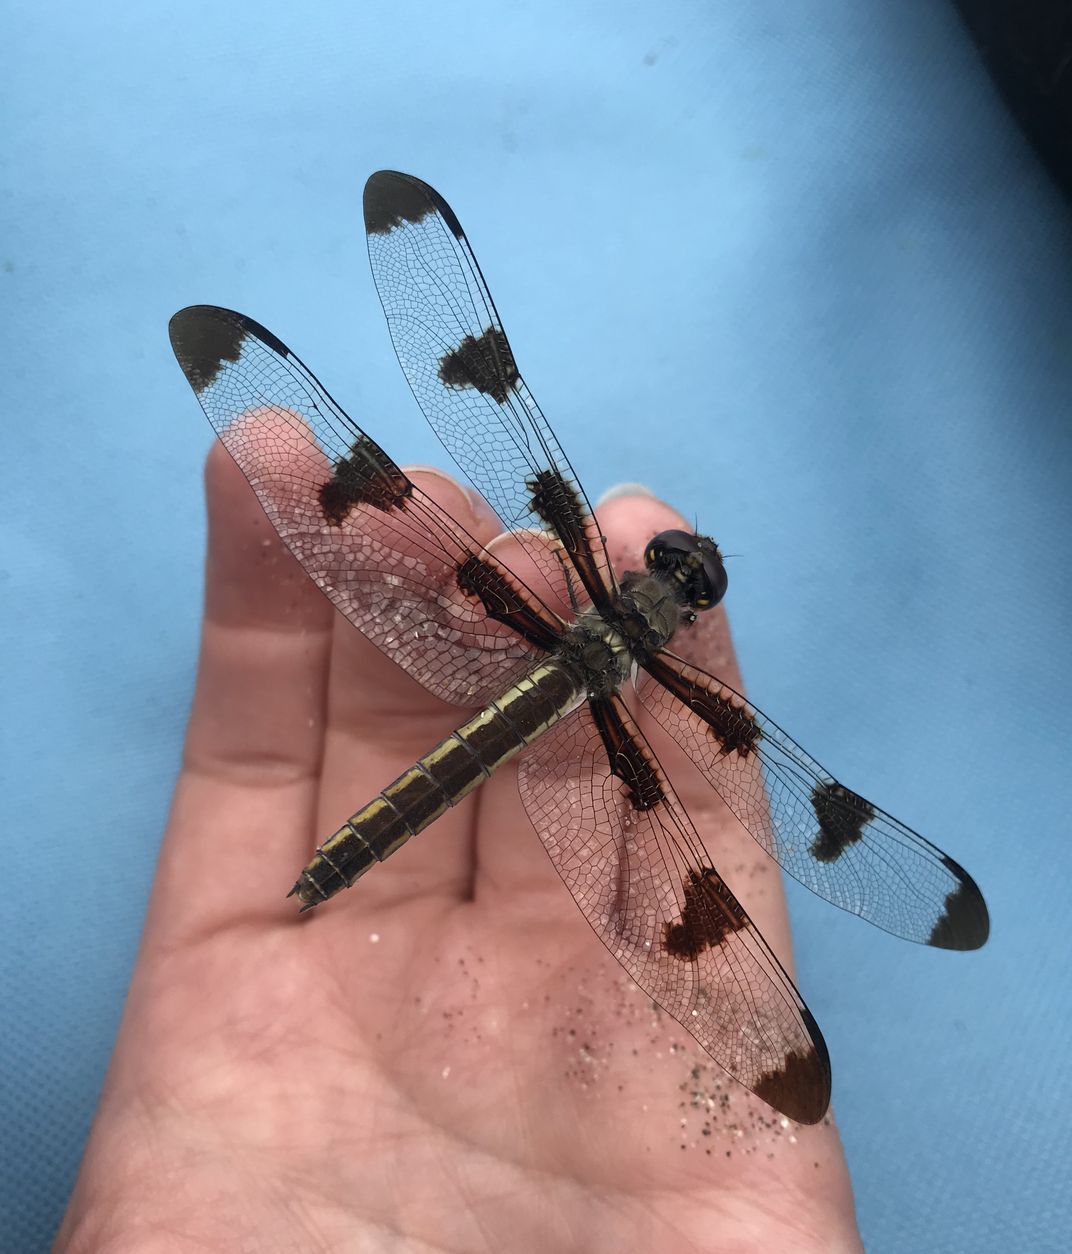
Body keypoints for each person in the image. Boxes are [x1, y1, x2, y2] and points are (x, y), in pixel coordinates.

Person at [55, 446, 862, 1252]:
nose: (682, 576)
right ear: (680, 612)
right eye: (682, 573)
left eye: (685, 577)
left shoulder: (594, 590)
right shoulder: (666, 668)